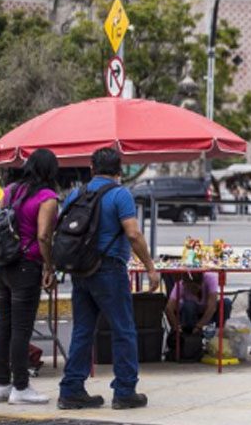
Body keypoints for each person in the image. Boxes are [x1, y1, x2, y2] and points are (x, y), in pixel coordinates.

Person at [58, 148, 160, 411]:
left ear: (92, 169)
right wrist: (150, 267)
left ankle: (71, 390)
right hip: (109, 271)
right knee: (123, 330)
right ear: (119, 170)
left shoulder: (76, 194)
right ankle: (125, 391)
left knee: (82, 330)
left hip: (80, 270)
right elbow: (134, 234)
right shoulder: (119, 194)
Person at [0, 149, 59, 405]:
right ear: (51, 171)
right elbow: (43, 236)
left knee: (4, 327)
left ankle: (1, 384)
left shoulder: (10, 190)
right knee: (21, 329)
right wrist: (49, 267)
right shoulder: (47, 197)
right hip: (27, 266)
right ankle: (20, 387)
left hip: (4, 265)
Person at [165, 271, 232, 335]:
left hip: (207, 313)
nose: (193, 291)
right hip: (189, 316)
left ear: (201, 283)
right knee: (189, 305)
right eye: (189, 288)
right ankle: (189, 332)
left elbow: (212, 307)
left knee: (226, 303)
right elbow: (168, 308)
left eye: (195, 287)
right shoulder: (180, 285)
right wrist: (176, 326)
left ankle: (219, 331)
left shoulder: (211, 278)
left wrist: (199, 326)